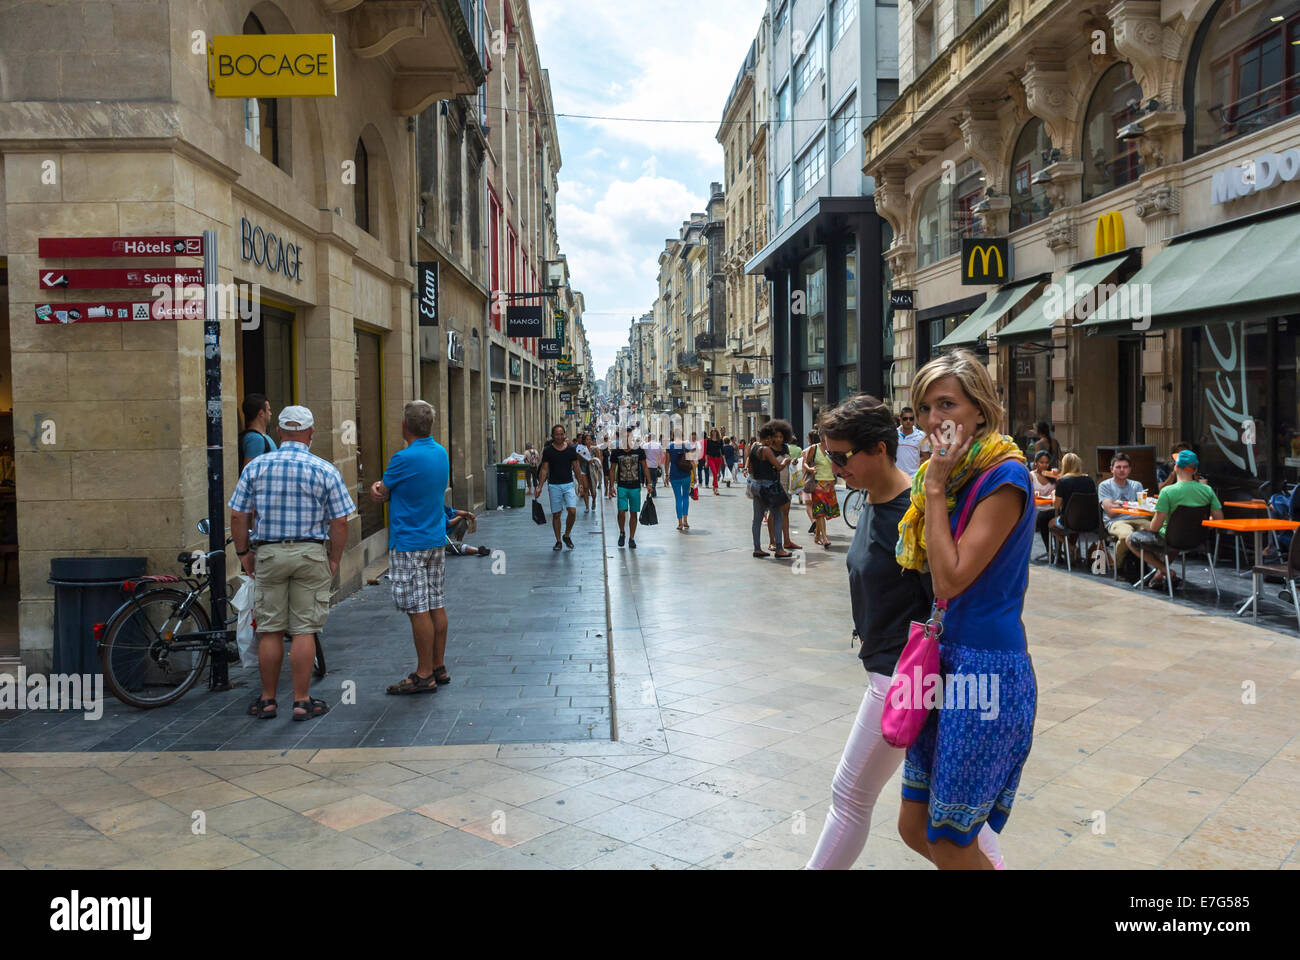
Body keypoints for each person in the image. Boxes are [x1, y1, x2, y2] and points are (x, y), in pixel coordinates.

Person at [808, 393, 997, 868]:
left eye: (841, 456)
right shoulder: (873, 500)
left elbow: (949, 593)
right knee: (944, 807)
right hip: (898, 673)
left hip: (902, 678)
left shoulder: (912, 512)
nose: (834, 466)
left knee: (849, 796)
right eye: (828, 454)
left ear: (879, 449)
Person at [895, 348, 1034, 870]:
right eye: (926, 407)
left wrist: (932, 487)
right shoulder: (956, 476)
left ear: (980, 408)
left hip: (987, 668)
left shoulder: (1004, 478)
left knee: (951, 839)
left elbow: (951, 576)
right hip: (943, 658)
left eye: (947, 404)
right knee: (915, 826)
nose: (935, 419)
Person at [230, 405, 354, 721]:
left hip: (269, 553)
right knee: (304, 629)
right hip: (310, 553)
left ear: (279, 433)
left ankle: (267, 699)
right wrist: (334, 558)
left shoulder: (256, 467)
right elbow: (340, 521)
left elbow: (238, 514)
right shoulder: (324, 469)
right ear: (311, 434)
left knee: (270, 629)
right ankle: (301, 700)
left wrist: (244, 553)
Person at [367, 401, 457, 695]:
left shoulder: (402, 458)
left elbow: (383, 491)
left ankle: (423, 674)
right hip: (434, 538)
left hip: (409, 542)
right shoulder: (440, 452)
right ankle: (439, 666)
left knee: (418, 610)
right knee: (436, 604)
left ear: (405, 426)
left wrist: (376, 489)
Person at [1127, 449, 1224, 590]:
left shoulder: (1167, 492)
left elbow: (1155, 528)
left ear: (1176, 467)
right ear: (1195, 470)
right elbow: (1219, 520)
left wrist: (1147, 528)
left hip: (1170, 539)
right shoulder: (1207, 490)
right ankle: (1160, 573)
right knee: (1175, 538)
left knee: (1131, 539)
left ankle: (1165, 570)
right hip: (1197, 540)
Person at [1097, 452, 1147, 578]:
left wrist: (1118, 504)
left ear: (1129, 469)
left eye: (1125, 467)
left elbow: (1143, 508)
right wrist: (1130, 504)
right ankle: (1118, 567)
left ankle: (1152, 567)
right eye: (1118, 467)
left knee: (1156, 531)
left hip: (1139, 519)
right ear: (1111, 469)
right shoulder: (1105, 486)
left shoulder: (1137, 485)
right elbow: (1111, 512)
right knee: (1126, 536)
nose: (1122, 470)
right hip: (1116, 522)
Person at [748, 424, 793, 558]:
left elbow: (750, 468)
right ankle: (779, 548)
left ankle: (757, 548)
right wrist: (785, 461)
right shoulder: (766, 450)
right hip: (768, 486)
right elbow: (779, 467)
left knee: (757, 519)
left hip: (756, 485)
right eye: (770, 438)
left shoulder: (753, 448)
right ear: (767, 438)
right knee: (778, 515)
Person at [536, 424, 581, 551]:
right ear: (552, 436)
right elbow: (544, 469)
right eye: (557, 434)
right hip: (554, 485)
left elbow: (576, 467)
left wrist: (581, 484)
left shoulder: (571, 450)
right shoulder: (548, 451)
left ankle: (567, 534)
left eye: (561, 434)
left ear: (564, 435)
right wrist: (539, 486)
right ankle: (558, 541)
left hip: (568, 484)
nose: (559, 436)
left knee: (572, 511)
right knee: (556, 514)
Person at [1049, 452, 1097, 564]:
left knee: (1051, 524)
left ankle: (1072, 548)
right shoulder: (1089, 480)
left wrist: (1053, 495)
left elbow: (1056, 505)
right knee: (1073, 523)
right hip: (1090, 522)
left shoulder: (1062, 481)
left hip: (1070, 522)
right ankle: (1070, 552)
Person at [607, 428, 648, 549]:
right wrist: (611, 486)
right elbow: (612, 469)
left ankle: (632, 538)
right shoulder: (617, 452)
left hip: (635, 487)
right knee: (621, 512)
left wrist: (649, 483)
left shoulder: (639, 450)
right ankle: (622, 532)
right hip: (622, 486)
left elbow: (645, 467)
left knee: (633, 513)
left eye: (629, 437)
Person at [803, 431, 841, 548]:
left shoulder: (832, 450)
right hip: (817, 484)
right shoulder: (814, 448)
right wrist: (810, 469)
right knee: (820, 513)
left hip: (829, 486)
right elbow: (805, 462)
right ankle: (824, 538)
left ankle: (816, 536)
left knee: (824, 512)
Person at [769, 420, 802, 552]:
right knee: (773, 513)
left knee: (786, 512)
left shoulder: (785, 448)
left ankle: (787, 540)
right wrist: (784, 462)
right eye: (776, 436)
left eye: (781, 437)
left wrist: (792, 462)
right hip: (774, 484)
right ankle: (772, 542)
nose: (778, 439)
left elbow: (787, 463)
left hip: (786, 483)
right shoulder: (768, 450)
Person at [239, 394, 277, 471]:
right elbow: (248, 473)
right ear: (261, 413)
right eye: (269, 410)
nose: (271, 413)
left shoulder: (259, 437)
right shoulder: (255, 439)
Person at [1030, 450, 1057, 557]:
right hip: (1037, 509)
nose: (1044, 465)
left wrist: (1057, 477)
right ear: (1036, 462)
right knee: (1043, 518)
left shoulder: (1052, 475)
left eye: (1047, 462)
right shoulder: (1031, 475)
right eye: (1042, 462)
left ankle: (1057, 551)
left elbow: (1060, 491)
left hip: (1051, 508)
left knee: (1052, 517)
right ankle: (1050, 550)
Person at [667, 432, 694, 531]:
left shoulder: (669, 446)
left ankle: (679, 523)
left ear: (673, 436)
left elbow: (667, 462)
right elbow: (692, 461)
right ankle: (685, 520)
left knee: (678, 499)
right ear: (682, 436)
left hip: (674, 476)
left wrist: (666, 474)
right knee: (685, 497)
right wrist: (694, 476)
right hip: (686, 475)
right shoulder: (686, 445)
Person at [895, 406, 924, 477]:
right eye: (905, 419)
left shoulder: (921, 435)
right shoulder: (893, 434)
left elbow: (926, 456)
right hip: (897, 477)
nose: (908, 421)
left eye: (911, 419)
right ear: (900, 420)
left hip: (913, 477)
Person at [705, 429, 725, 494]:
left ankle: (714, 486)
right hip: (711, 458)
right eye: (712, 432)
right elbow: (707, 451)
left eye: (715, 432)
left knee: (716, 474)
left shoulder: (720, 440)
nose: (713, 433)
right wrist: (706, 461)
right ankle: (716, 488)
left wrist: (725, 461)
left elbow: (722, 451)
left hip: (718, 459)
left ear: (717, 432)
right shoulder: (709, 441)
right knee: (714, 472)